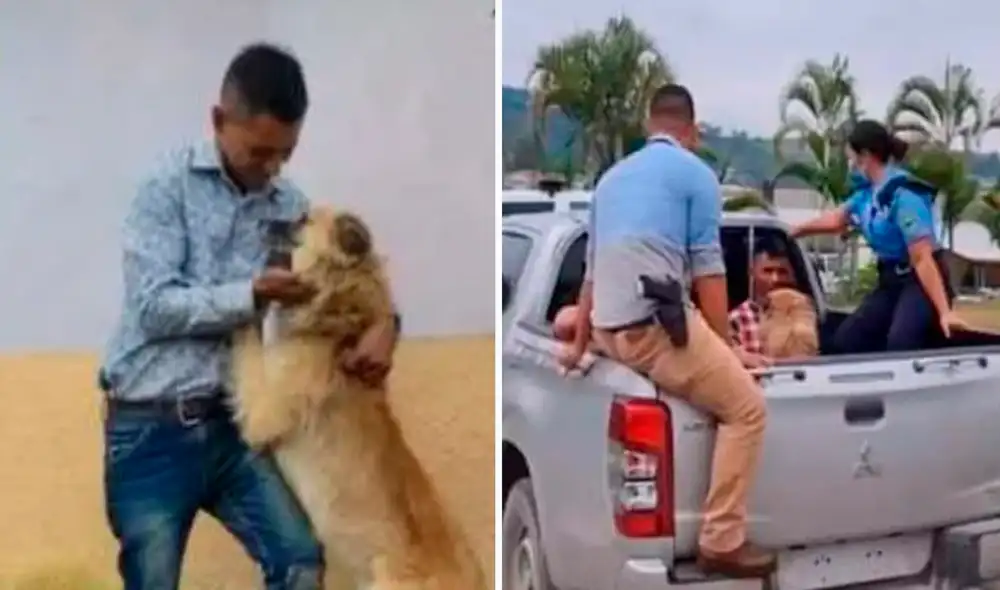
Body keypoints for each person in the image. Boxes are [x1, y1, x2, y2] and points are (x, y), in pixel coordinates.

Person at [98, 43, 399, 590]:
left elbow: (348, 282)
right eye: (259, 152)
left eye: (285, 153)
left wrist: (386, 327)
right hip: (149, 427)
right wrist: (252, 295)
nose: (272, 169)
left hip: (235, 429)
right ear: (219, 120)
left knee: (300, 563)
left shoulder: (287, 204)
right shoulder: (164, 188)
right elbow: (152, 307)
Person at [559, 83, 775, 579]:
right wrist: (729, 351)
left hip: (609, 329)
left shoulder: (609, 181)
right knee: (746, 409)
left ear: (648, 125)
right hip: (653, 330)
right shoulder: (696, 176)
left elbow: (591, 271)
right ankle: (722, 540)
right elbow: (708, 272)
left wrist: (576, 345)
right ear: (692, 131)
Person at [790, 119, 966, 353]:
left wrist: (945, 312)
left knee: (901, 342)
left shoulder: (904, 195)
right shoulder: (867, 195)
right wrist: (794, 231)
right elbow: (835, 220)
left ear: (865, 155)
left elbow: (923, 258)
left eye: (851, 157)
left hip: (920, 279)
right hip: (890, 279)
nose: (849, 164)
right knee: (847, 340)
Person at [729, 238, 795, 362]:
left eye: (782, 272)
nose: (775, 279)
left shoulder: (801, 315)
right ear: (752, 272)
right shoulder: (737, 319)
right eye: (768, 271)